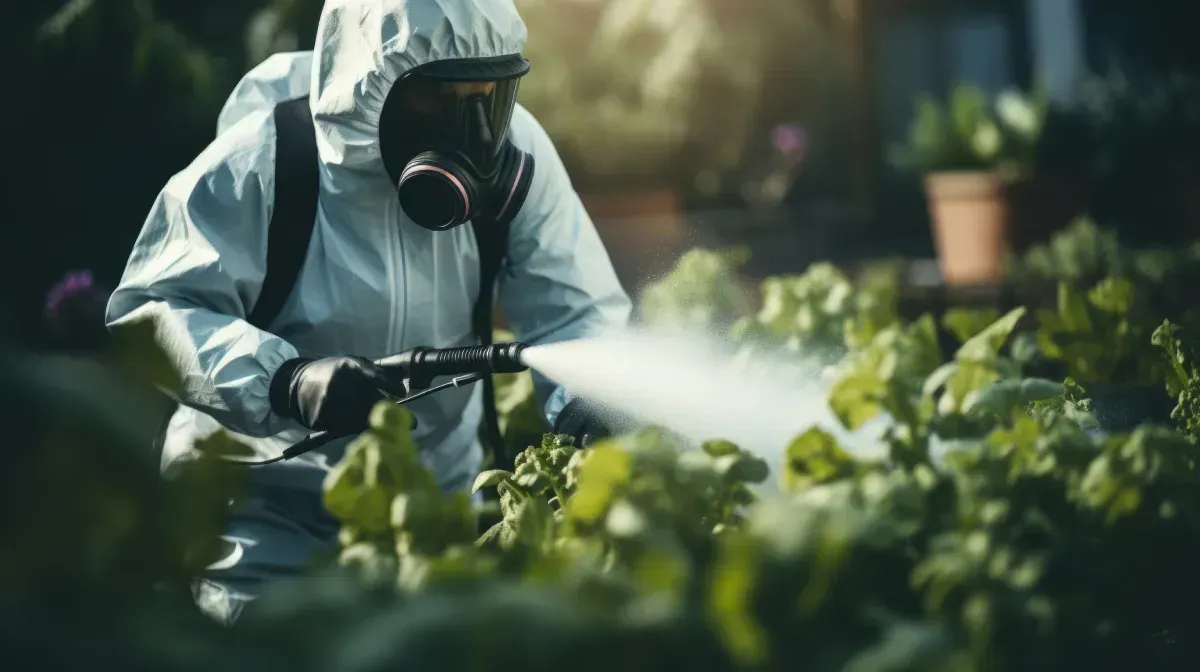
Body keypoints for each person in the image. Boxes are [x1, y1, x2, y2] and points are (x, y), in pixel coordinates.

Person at [106, 0, 631, 624]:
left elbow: (576, 313)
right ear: (375, 89)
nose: (480, 134)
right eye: (444, 100)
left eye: (487, 97)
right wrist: (285, 380)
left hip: (428, 514)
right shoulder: (266, 163)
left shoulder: (521, 160)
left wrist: (587, 404)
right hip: (261, 516)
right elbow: (150, 312)